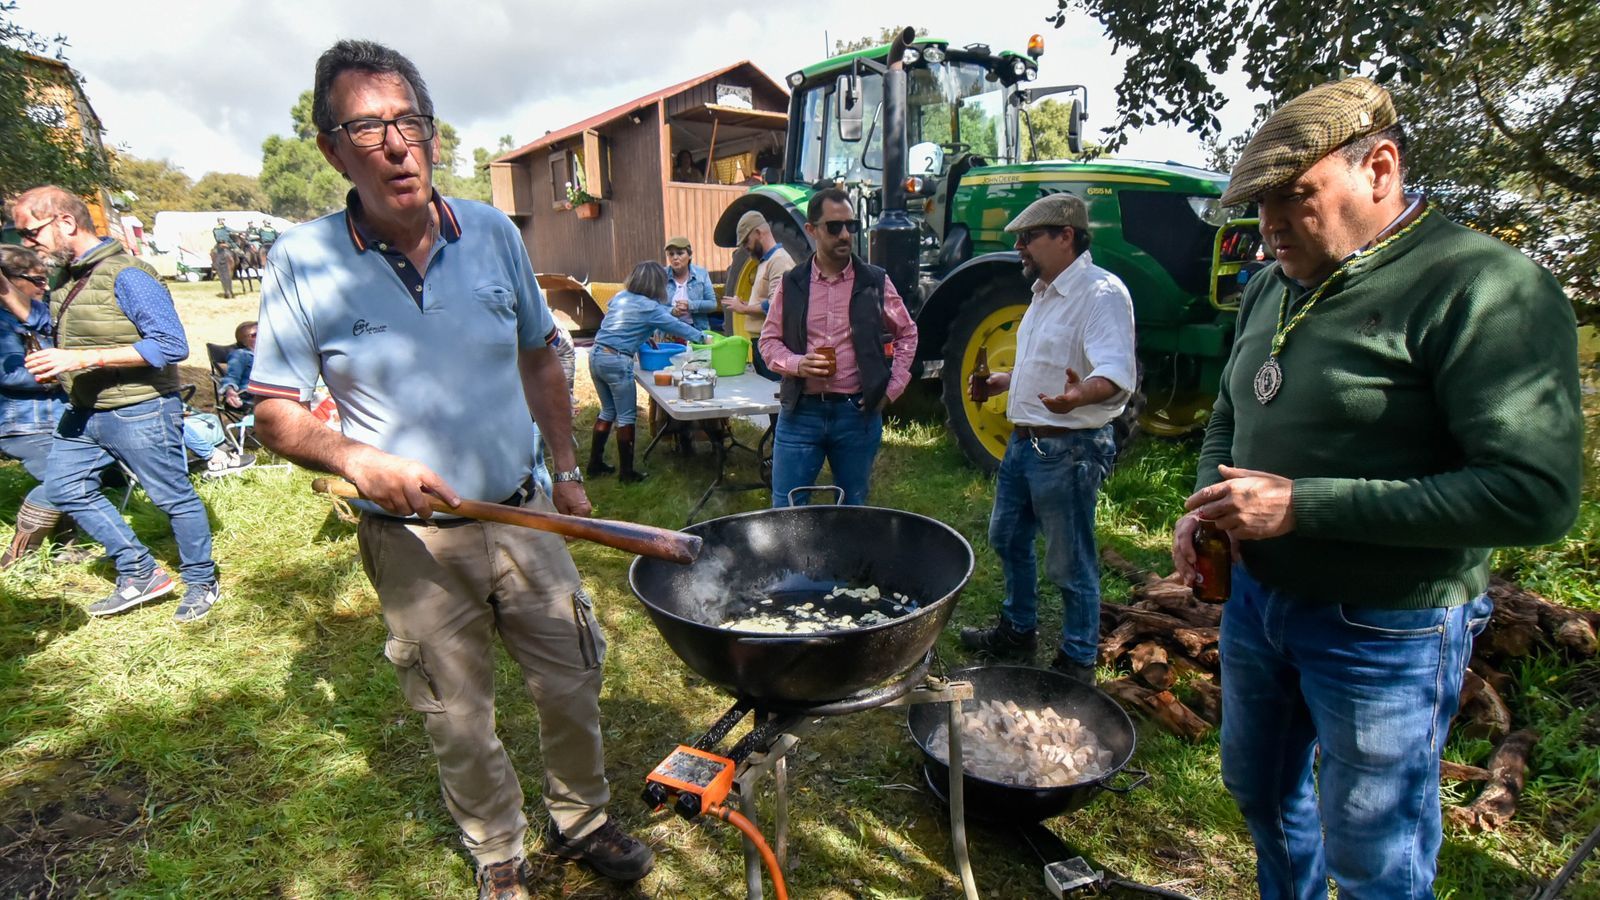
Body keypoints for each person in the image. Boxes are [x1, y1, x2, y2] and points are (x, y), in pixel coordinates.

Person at [246, 40, 653, 898]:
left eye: (410, 122)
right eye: (368, 127)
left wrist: (568, 469)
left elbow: (544, 355)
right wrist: (357, 458)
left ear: (431, 134)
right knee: (456, 716)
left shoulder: (495, 233)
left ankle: (580, 820)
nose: (397, 145)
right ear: (332, 149)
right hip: (414, 543)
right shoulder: (302, 262)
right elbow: (275, 410)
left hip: (523, 510)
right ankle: (499, 852)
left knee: (575, 675)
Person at [1169, 78, 1582, 899]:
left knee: (1373, 855)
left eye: (1294, 198)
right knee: (1259, 791)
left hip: (1385, 628)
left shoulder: (1481, 286)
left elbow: (1535, 494)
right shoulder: (1272, 283)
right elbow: (1229, 414)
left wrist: (1303, 506)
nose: (1270, 226)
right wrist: (1202, 507)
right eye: (1259, 206)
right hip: (1258, 604)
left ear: (1381, 167)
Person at [11, 186, 220, 623]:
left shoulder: (128, 274)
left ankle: (201, 579)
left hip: (139, 408)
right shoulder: (66, 278)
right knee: (64, 486)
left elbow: (170, 344)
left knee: (172, 497)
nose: (26, 244)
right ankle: (140, 571)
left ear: (65, 223)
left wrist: (82, 358)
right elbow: (52, 324)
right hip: (84, 408)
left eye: (30, 233)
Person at [957, 194, 1136, 684]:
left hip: (1070, 449)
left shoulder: (1102, 294)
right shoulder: (1043, 290)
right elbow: (1045, 363)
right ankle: (1018, 630)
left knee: (1069, 560)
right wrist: (1003, 382)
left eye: (1029, 237)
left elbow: (1116, 374)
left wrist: (1080, 396)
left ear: (1066, 236)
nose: (1019, 246)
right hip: (1025, 444)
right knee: (1007, 536)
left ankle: (1078, 660)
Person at [758, 188, 917, 507]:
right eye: (834, 227)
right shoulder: (793, 283)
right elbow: (768, 341)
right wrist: (798, 364)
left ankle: (849, 559)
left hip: (856, 415)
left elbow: (907, 333)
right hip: (801, 412)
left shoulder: (874, 281)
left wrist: (892, 389)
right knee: (786, 508)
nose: (845, 234)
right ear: (811, 230)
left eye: (851, 226)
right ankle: (790, 559)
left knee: (853, 508)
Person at [586, 261, 706, 483]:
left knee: (607, 411)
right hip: (616, 361)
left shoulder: (620, 297)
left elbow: (622, 318)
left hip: (596, 355)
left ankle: (595, 465)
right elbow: (675, 325)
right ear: (656, 284)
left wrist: (642, 333)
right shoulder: (649, 308)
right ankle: (627, 474)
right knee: (626, 416)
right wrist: (703, 338)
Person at [0, 246, 71, 567]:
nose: (45, 288)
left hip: (57, 415)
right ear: (10, 281)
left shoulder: (37, 315)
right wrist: (63, 372)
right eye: (37, 281)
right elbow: (9, 373)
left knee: (81, 474)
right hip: (21, 423)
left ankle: (65, 545)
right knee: (62, 477)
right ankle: (18, 555)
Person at [722, 209, 794, 380]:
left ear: (758, 232)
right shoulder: (766, 262)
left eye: (746, 241)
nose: (746, 247)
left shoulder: (779, 261)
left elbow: (777, 305)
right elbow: (767, 299)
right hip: (761, 343)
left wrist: (744, 309)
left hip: (771, 344)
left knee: (773, 395)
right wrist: (746, 304)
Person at [661, 236, 717, 331]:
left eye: (680, 253)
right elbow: (652, 306)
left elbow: (712, 304)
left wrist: (690, 305)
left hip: (697, 330)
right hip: (668, 331)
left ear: (690, 255)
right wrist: (671, 311)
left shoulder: (701, 273)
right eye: (671, 254)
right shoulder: (661, 275)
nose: (675, 257)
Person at [219, 320, 256, 411]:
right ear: (244, 341)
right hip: (251, 395)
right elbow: (231, 376)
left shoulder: (271, 355)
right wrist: (229, 390)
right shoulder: (241, 354)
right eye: (255, 334)